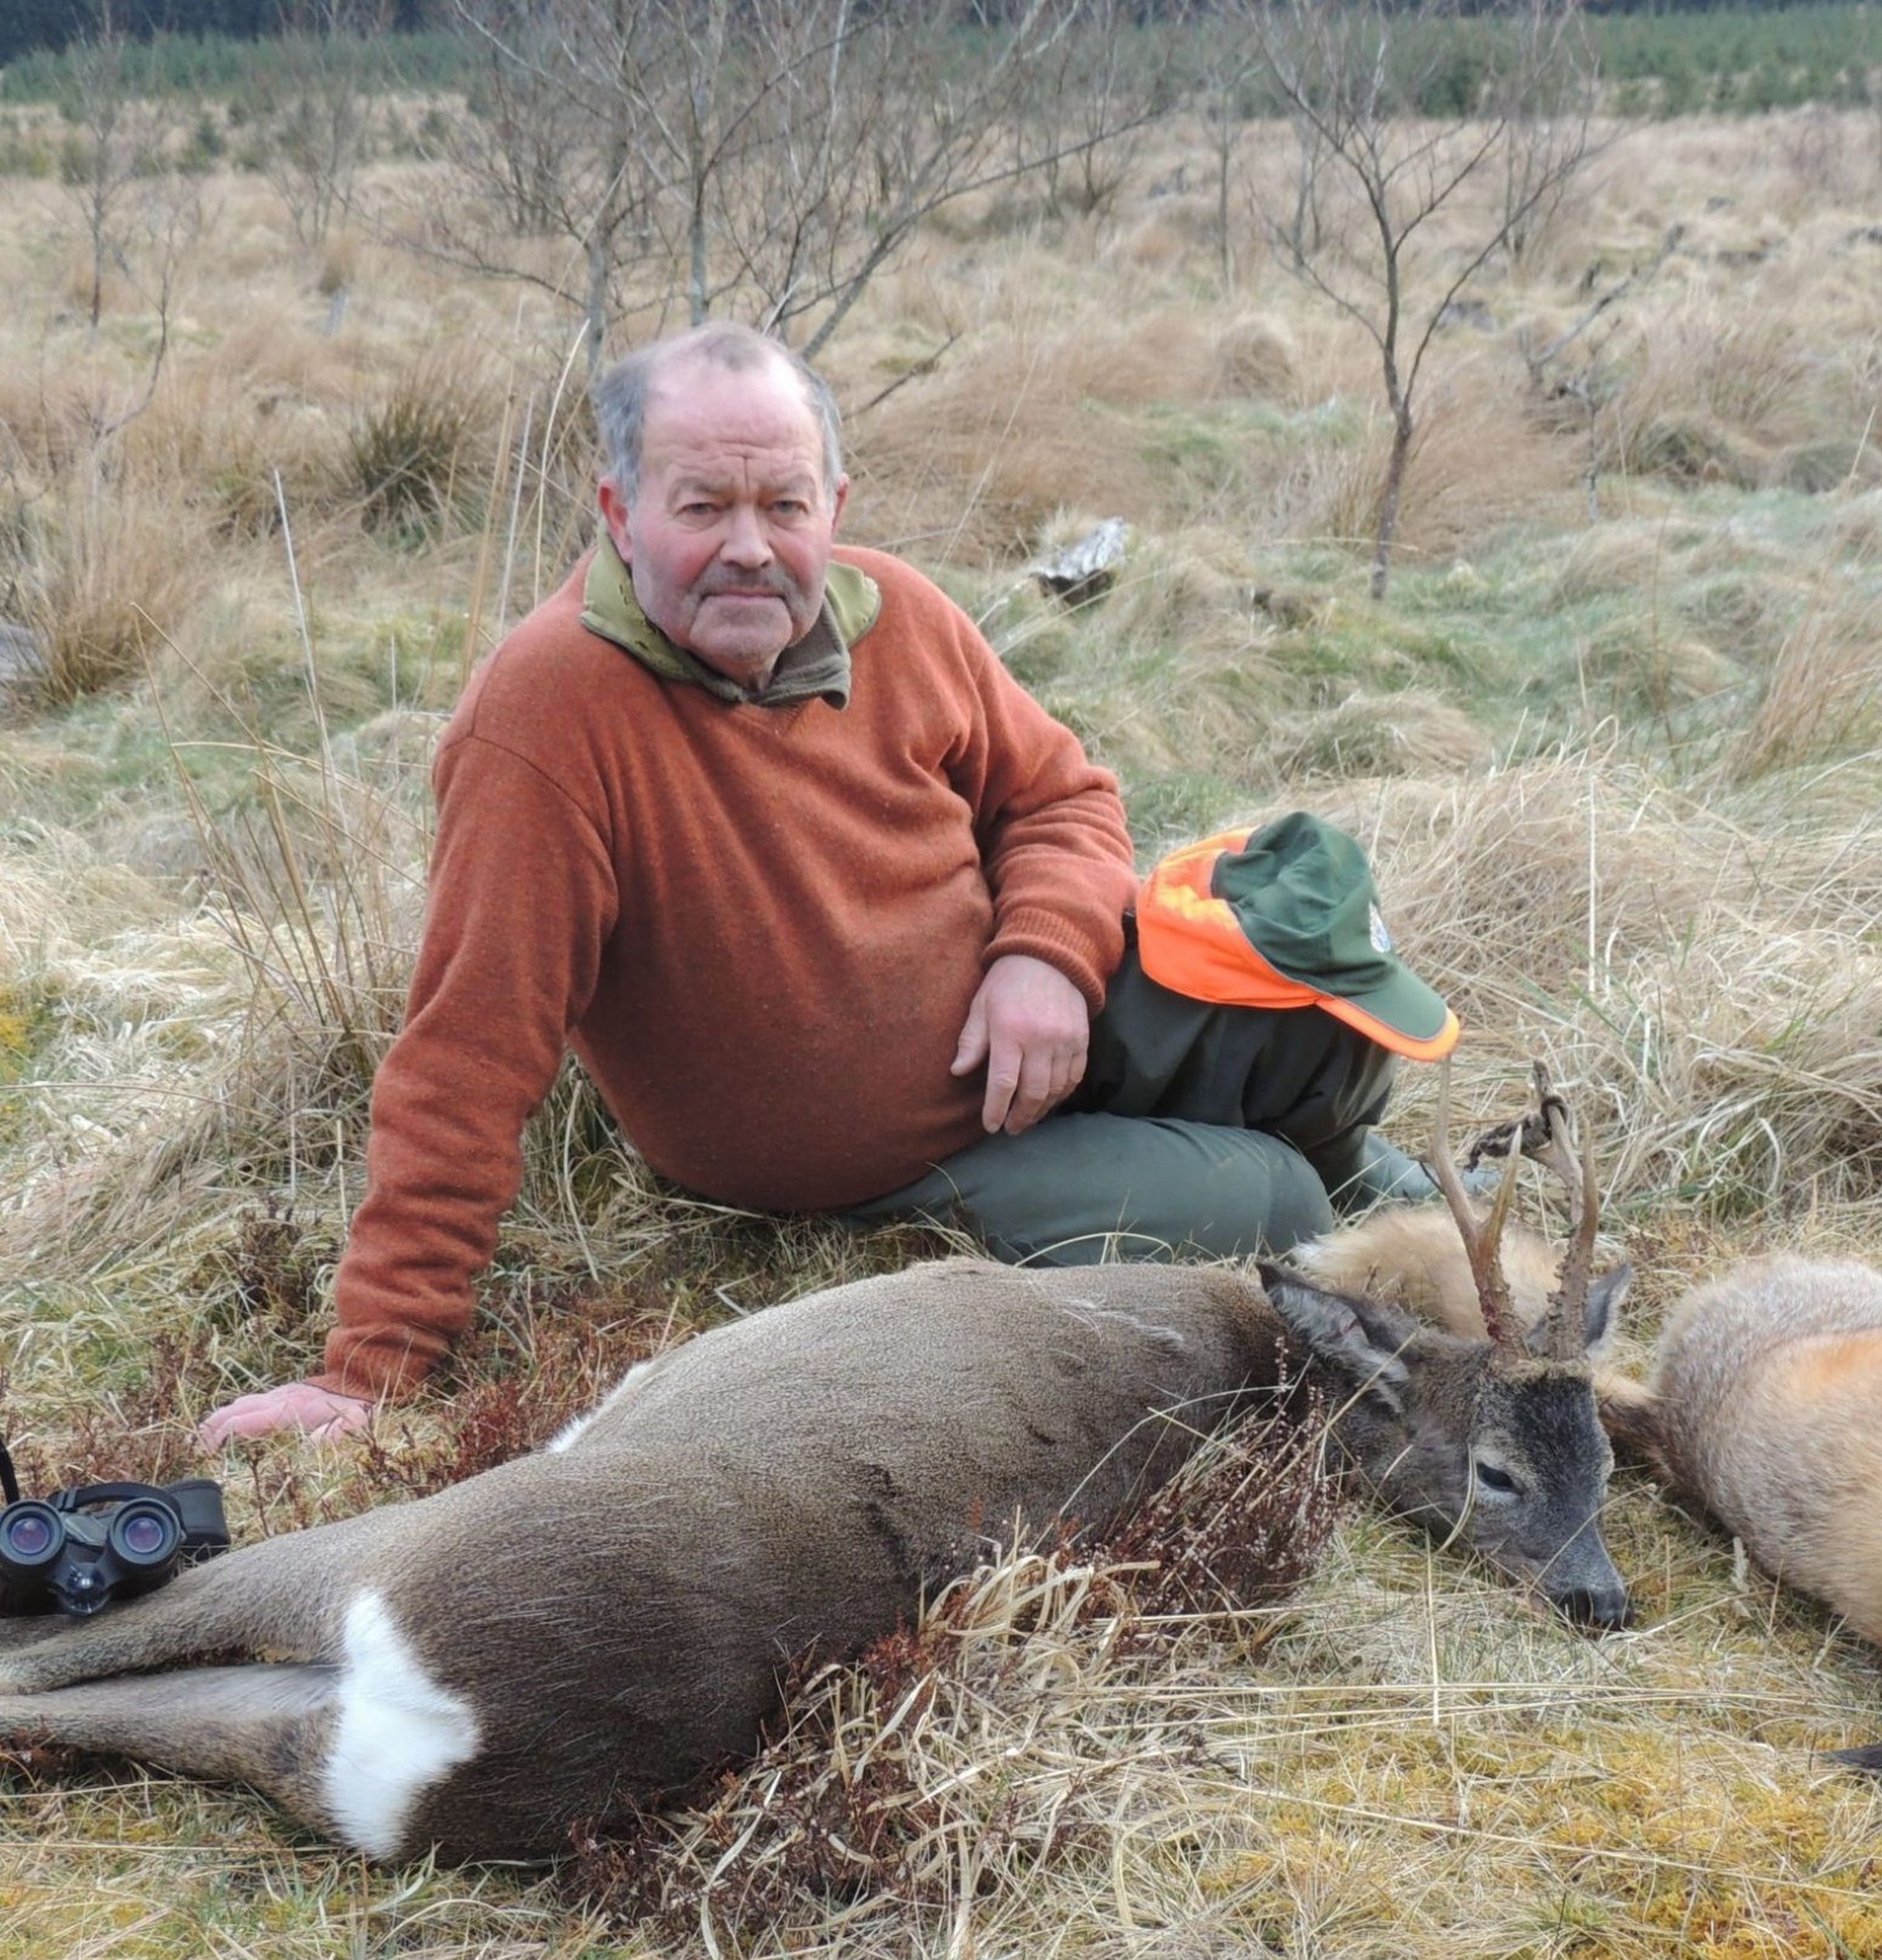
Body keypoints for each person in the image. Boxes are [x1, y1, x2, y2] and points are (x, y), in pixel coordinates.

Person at [200, 322, 1445, 1446]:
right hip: (886, 1143)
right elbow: (468, 1052)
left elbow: (1061, 798)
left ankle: (1394, 1180)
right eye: (702, 507)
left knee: (1334, 1032)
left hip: (1022, 1018)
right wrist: (374, 1370)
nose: (750, 548)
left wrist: (1044, 961)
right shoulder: (544, 722)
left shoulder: (898, 610)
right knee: (1272, 1194)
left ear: (833, 501)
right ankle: (1359, 1193)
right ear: (619, 511)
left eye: (784, 505)